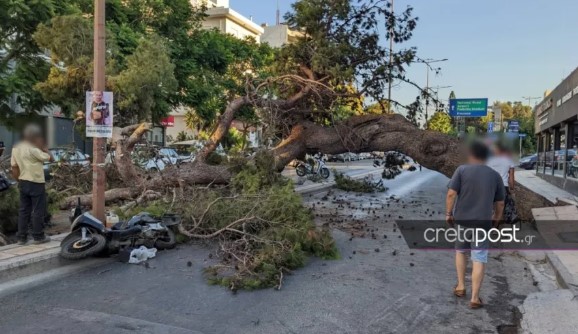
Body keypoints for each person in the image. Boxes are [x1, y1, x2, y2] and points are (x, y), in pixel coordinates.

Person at [445, 141, 505, 309]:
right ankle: (475, 298)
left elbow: (451, 194)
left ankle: (461, 287)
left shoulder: (461, 170)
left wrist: (449, 214)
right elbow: (500, 204)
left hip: (462, 221)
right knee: (479, 257)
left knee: (461, 252)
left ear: (471, 155)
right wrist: (496, 221)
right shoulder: (495, 176)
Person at [10, 124, 54, 245]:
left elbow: (14, 167)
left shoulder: (16, 148)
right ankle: (38, 236)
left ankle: (21, 238)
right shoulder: (33, 149)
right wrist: (45, 148)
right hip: (36, 182)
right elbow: (51, 158)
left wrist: (18, 180)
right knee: (37, 210)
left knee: (23, 210)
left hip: (23, 182)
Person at [487, 141, 518, 224]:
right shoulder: (509, 160)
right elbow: (511, 177)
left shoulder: (489, 160)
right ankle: (496, 226)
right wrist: (512, 188)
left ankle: (489, 223)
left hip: (490, 186)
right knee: (500, 207)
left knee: (489, 206)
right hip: (503, 186)